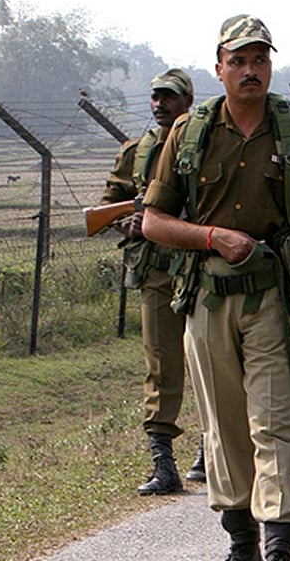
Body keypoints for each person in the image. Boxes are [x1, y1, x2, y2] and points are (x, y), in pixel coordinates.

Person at [141, 15, 290, 561]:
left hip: (275, 299)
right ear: (219, 69)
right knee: (223, 426)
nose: (250, 70)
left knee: (276, 421)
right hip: (207, 298)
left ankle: (279, 542)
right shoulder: (190, 133)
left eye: (259, 60)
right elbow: (153, 221)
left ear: (270, 66)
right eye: (238, 61)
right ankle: (241, 539)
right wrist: (212, 237)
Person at [98, 67, 206, 495]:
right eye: (156, 97)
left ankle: (210, 451)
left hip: (201, 270)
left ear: (187, 103)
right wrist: (128, 223)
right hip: (157, 271)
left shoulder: (206, 145)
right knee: (161, 366)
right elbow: (110, 203)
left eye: (170, 97)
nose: (160, 104)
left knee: (211, 363)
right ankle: (164, 464)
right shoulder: (137, 151)